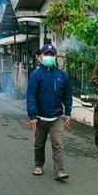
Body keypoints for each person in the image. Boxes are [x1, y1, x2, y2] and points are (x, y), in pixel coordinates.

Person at [26, 44, 73, 181]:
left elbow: (67, 96)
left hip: (57, 117)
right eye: (47, 54)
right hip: (40, 117)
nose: (49, 57)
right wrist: (32, 115)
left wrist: (68, 113)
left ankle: (59, 171)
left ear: (55, 57)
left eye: (52, 55)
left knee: (58, 144)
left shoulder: (62, 75)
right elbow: (31, 95)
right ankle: (39, 164)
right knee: (39, 143)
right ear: (41, 56)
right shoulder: (36, 75)